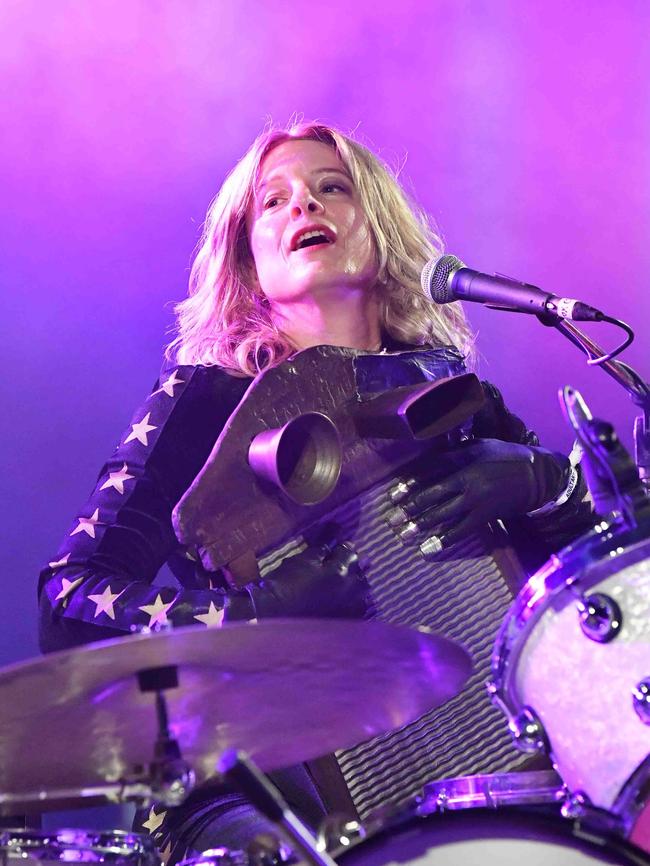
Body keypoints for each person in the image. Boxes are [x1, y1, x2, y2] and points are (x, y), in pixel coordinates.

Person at [38, 121, 592, 862]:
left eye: (333, 188)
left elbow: (602, 599)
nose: (305, 206)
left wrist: (543, 483)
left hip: (482, 790)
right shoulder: (203, 402)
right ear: (248, 256)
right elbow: (71, 598)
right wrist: (250, 614)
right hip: (259, 796)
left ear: (380, 228)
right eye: (275, 201)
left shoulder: (457, 397)